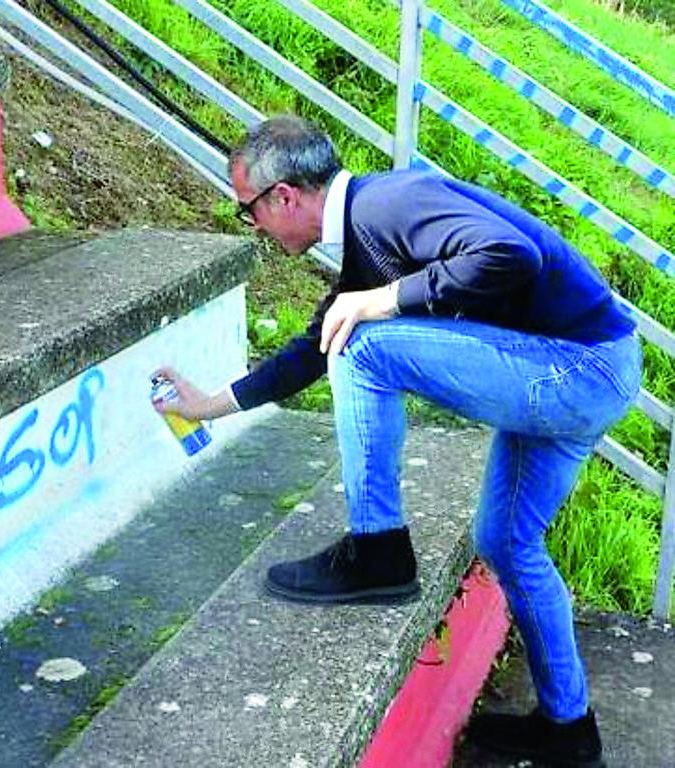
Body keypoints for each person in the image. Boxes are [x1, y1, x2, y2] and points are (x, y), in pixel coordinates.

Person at [154, 115, 639, 768]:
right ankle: (569, 730)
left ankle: (378, 551)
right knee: (508, 542)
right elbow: (310, 349)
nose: (256, 230)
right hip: (588, 368)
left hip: (578, 367)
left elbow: (508, 256)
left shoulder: (391, 202)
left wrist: (384, 300)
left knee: (366, 343)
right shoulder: (368, 236)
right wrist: (207, 405)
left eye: (249, 213)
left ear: (284, 198)